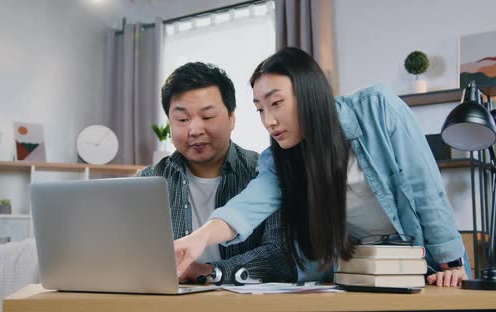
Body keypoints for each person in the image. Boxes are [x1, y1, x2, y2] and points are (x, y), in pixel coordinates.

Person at [174, 48, 470, 287]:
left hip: (423, 260)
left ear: (309, 93)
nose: (269, 121)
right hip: (357, 269)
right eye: (260, 109)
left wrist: (451, 264)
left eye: (276, 103)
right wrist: (199, 238)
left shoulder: (377, 109)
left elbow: (425, 188)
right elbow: (248, 206)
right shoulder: (279, 159)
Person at [137, 62, 295, 283]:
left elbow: (281, 256)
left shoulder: (264, 173)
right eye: (182, 120)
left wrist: (209, 271)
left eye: (208, 117)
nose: (195, 130)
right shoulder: (146, 183)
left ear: (232, 118)